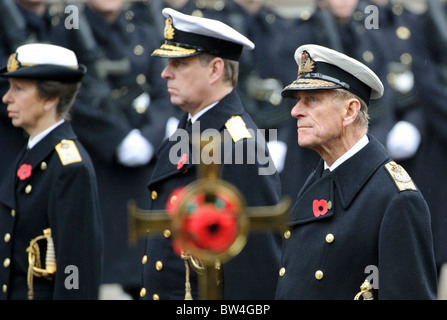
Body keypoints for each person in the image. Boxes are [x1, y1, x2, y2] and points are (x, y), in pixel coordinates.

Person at [275, 44, 437, 300]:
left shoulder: (397, 199)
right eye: (298, 101)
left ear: (350, 111)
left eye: (312, 100)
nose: (295, 111)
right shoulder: (319, 176)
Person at [140, 8, 281, 300]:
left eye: (179, 63)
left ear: (215, 70)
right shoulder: (190, 127)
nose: (166, 72)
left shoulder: (240, 145)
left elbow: (255, 272)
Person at [70, 0, 179, 299]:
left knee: (142, 266)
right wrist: (115, 139)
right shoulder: (70, 27)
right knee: (90, 269)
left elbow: (163, 89)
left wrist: (149, 137)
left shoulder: (143, 29)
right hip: (96, 158)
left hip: (143, 159)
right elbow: (69, 95)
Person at [0, 43, 103, 299]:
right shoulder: (31, 151)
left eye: (19, 89)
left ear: (50, 98)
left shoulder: (69, 167)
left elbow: (76, 268)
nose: (6, 98)